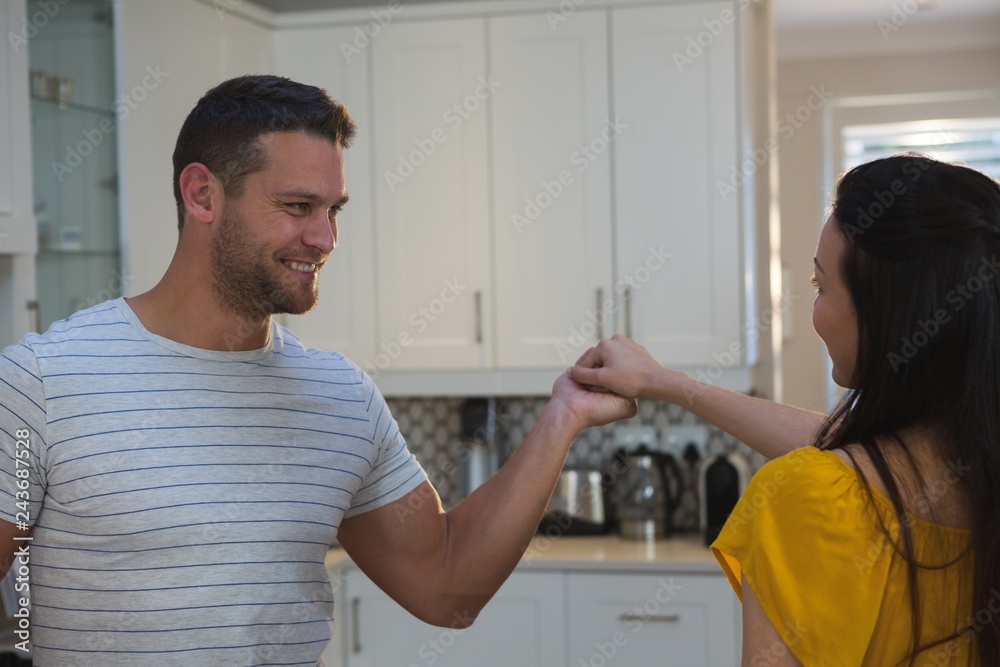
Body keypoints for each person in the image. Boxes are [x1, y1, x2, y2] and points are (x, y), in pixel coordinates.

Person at [0, 74, 637, 665]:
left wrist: (562, 419)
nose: (326, 238)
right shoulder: (44, 383)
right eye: (298, 207)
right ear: (202, 195)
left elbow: (447, 587)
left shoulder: (339, 398)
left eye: (333, 210)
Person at [570, 153, 1000, 665]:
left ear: (886, 312)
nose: (813, 312)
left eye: (820, 286)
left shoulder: (806, 494)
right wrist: (665, 382)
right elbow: (860, 456)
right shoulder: (972, 465)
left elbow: (843, 476)